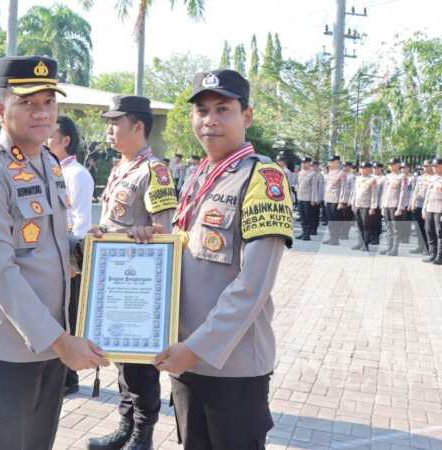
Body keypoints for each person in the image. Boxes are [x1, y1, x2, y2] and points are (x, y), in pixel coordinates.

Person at [129, 68, 293, 450]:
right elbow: (187, 247)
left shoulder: (262, 178)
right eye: (202, 111)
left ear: (246, 117)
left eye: (223, 109)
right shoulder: (200, 176)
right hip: (185, 358)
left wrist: (196, 349)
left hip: (231, 366)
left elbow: (253, 285)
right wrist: (146, 242)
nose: (211, 120)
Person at [0, 56, 108, 450]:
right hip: (7, 352)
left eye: (48, 102)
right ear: (0, 109)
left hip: (50, 348)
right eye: (27, 103)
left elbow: (53, 247)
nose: (41, 113)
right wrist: (61, 341)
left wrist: (102, 251)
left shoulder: (49, 164)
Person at [87, 95, 178, 450]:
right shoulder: (121, 167)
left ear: (138, 125)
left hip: (141, 287)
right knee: (124, 362)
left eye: (116, 122)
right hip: (115, 282)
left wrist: (144, 234)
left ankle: (144, 433)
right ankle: (125, 426)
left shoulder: (154, 171)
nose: (110, 129)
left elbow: (164, 230)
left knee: (141, 364)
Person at [47, 115, 95, 395]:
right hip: (52, 257)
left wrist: (72, 260)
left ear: (65, 141)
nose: (46, 141)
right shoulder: (49, 169)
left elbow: (80, 219)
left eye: (51, 137)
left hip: (69, 260)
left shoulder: (77, 174)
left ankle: (70, 378)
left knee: (69, 317)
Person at [422, 158, 442, 265]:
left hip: (440, 209)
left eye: (436, 166)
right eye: (433, 166)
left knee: (440, 233)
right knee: (429, 230)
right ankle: (432, 254)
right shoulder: (432, 178)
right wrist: (424, 208)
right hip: (430, 208)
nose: (433, 168)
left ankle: (440, 256)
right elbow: (427, 194)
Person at [379, 158, 409, 256]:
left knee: (396, 228)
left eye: (393, 164)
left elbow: (403, 193)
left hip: (395, 205)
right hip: (387, 204)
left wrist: (400, 208)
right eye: (389, 164)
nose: (390, 166)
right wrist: (383, 206)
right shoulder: (387, 177)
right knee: (388, 228)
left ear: (398, 165)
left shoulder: (402, 177)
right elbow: (384, 192)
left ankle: (395, 249)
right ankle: (389, 247)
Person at [351, 162, 379, 251]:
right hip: (358, 205)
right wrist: (353, 203)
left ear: (369, 169)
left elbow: (374, 194)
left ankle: (365, 244)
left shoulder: (372, 180)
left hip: (366, 206)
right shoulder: (358, 179)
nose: (362, 170)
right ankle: (360, 243)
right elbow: (355, 192)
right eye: (361, 168)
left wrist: (372, 207)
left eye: (365, 168)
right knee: (359, 226)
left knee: (366, 226)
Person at [410, 162, 433, 255]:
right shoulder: (420, 178)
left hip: (429, 205)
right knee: (418, 227)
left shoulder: (434, 178)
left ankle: (428, 247)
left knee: (427, 228)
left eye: (427, 166)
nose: (425, 167)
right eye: (424, 166)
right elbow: (415, 191)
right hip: (419, 204)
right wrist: (412, 203)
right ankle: (420, 246)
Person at [323, 155, 346, 245]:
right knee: (330, 221)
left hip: (336, 200)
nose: (329, 163)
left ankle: (335, 239)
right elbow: (327, 187)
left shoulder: (341, 173)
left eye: (331, 161)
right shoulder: (329, 173)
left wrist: (341, 201)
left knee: (335, 221)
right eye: (329, 161)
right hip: (328, 199)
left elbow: (343, 189)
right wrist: (325, 199)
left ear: (337, 162)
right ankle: (331, 237)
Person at [295, 157, 319, 241]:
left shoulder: (312, 174)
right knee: (302, 217)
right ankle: (303, 232)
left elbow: (314, 188)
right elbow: (298, 184)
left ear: (309, 164)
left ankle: (307, 234)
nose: (303, 164)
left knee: (308, 217)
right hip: (300, 198)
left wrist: (314, 199)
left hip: (308, 199)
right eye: (302, 163)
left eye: (305, 163)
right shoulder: (300, 173)